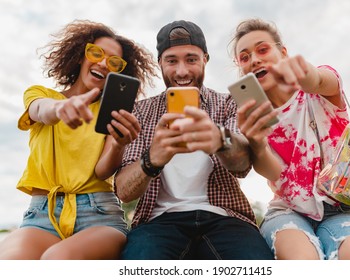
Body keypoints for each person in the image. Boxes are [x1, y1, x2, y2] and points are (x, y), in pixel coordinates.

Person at [114, 20, 281, 260]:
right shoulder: (140, 111)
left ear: (205, 59)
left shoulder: (229, 103)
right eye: (172, 61)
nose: (182, 71)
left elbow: (243, 166)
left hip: (226, 218)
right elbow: (124, 191)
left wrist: (219, 140)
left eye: (191, 59)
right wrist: (151, 160)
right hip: (158, 222)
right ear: (160, 63)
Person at [229, 18, 350, 260]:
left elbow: (321, 80)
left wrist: (306, 74)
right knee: (301, 260)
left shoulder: (317, 91)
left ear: (283, 53)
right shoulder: (254, 116)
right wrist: (257, 142)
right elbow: (274, 173)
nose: (254, 60)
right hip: (288, 211)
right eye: (245, 57)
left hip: (343, 207)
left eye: (263, 50)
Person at [0, 20, 158, 260]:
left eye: (114, 62)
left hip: (99, 214)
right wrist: (62, 108)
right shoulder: (41, 95)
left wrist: (117, 144)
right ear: (80, 55)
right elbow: (40, 110)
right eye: (96, 53)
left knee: (57, 260)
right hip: (42, 214)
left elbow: (102, 172)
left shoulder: (112, 112)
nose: (104, 63)